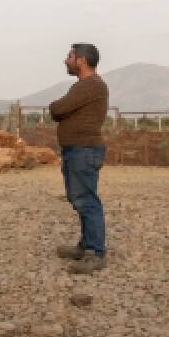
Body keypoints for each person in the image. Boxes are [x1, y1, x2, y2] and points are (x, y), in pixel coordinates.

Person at [49, 43, 110, 274]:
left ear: (81, 60)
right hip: (79, 150)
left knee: (86, 200)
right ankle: (86, 246)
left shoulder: (90, 85)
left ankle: (95, 252)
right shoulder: (87, 86)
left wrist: (55, 107)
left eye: (70, 56)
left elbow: (58, 109)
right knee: (80, 199)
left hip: (83, 151)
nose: (66, 60)